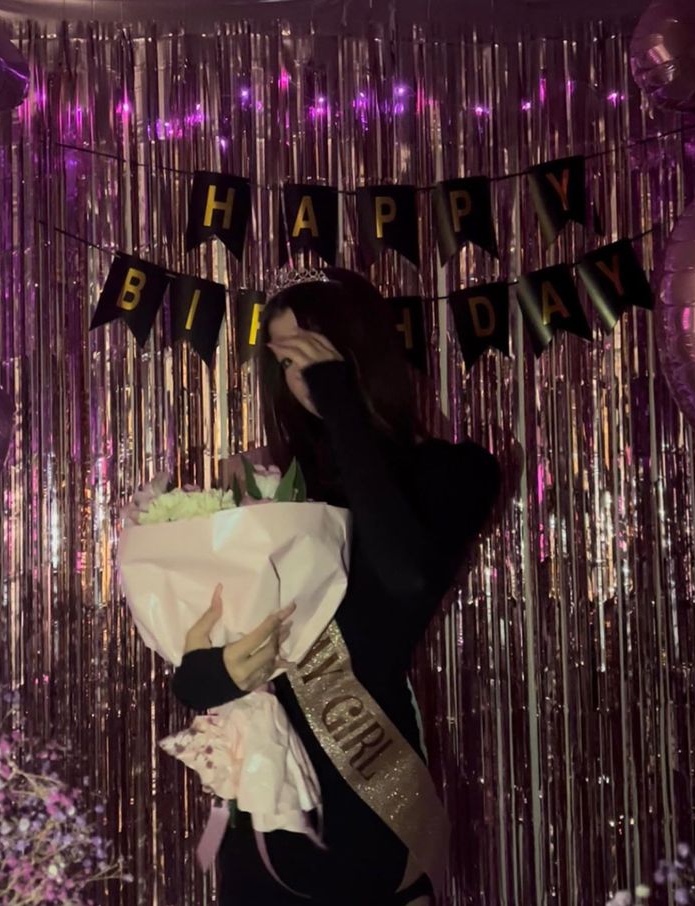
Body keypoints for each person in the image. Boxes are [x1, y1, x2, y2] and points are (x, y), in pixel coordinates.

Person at [172, 267, 501, 906]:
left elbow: (406, 576)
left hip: (371, 807)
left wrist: (339, 398)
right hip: (267, 816)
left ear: (358, 352)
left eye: (313, 351)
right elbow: (192, 678)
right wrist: (219, 672)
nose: (298, 371)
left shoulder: (453, 469)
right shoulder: (262, 490)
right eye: (285, 355)